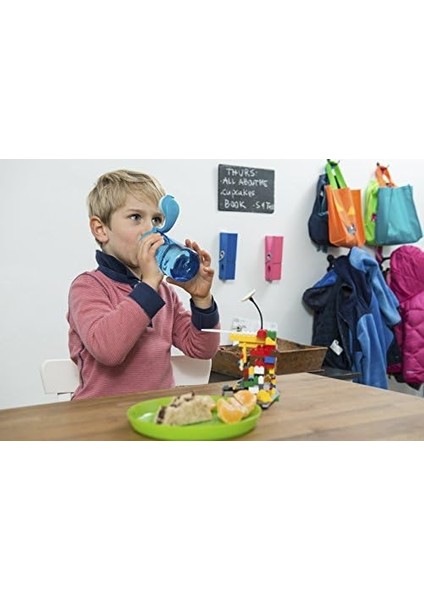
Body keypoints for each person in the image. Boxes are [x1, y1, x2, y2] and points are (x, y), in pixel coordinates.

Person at [67, 169, 220, 400]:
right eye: (136, 217)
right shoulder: (88, 287)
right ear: (101, 229)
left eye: (157, 219)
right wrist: (148, 286)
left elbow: (202, 349)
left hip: (156, 413)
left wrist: (202, 300)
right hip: (101, 415)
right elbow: (108, 351)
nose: (151, 229)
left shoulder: (164, 292)